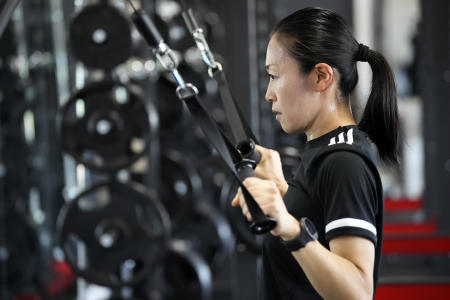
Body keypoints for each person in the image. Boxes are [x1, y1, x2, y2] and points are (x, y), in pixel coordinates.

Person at [232, 7, 398, 300]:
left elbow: (358, 292)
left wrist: (289, 228)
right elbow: (317, 231)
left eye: (274, 76)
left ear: (321, 76)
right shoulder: (325, 152)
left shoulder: (344, 162)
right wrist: (283, 192)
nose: (269, 93)